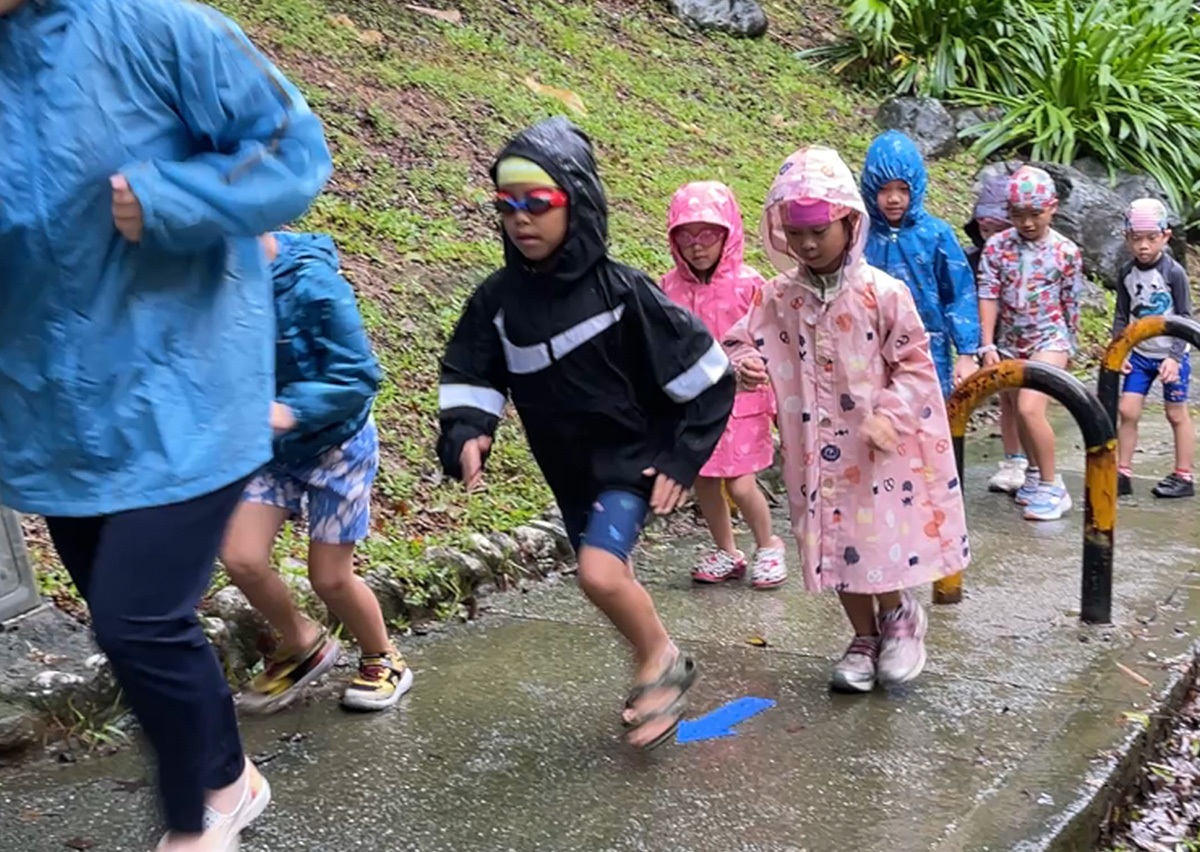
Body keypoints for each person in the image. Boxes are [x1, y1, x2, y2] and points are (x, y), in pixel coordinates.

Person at [0, 0, 331, 849]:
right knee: (146, 623)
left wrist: (173, 195)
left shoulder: (158, 28)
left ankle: (196, 817)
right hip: (52, 413)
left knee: (134, 619)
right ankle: (230, 775)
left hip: (190, 387)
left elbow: (291, 148)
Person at [437, 118, 735, 749]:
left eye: (538, 204)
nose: (521, 219)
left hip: (630, 463)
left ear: (578, 204)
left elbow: (710, 376)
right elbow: (471, 370)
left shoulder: (623, 293)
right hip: (569, 474)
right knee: (607, 578)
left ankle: (663, 660)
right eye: (507, 205)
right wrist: (467, 429)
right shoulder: (496, 301)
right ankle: (649, 667)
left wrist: (682, 460)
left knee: (598, 575)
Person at [724, 146, 969, 694]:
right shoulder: (780, 296)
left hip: (877, 450)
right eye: (796, 233)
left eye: (820, 231)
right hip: (815, 449)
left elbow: (912, 363)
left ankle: (900, 614)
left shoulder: (883, 295)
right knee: (835, 545)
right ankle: (863, 635)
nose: (808, 244)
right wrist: (744, 363)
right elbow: (743, 336)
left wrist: (890, 414)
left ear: (849, 222)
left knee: (879, 539)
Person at [221, 232, 413, 715]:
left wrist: (290, 411)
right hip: (270, 450)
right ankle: (302, 639)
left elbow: (358, 374)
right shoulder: (208, 288)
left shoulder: (311, 282)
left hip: (337, 445)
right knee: (241, 557)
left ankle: (383, 656)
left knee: (329, 578)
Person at [660, 182, 786, 588]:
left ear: (728, 233)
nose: (697, 246)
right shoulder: (669, 288)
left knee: (740, 480)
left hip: (742, 400)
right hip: (693, 403)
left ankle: (768, 543)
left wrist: (758, 367)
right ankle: (726, 549)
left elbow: (774, 338)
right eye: (686, 235)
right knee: (704, 478)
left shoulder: (751, 285)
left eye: (708, 235)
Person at [977, 166, 1082, 522]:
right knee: (1014, 407)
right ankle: (1035, 473)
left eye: (1035, 214)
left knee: (1029, 408)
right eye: (1017, 215)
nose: (1027, 223)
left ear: (1052, 208)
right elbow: (988, 293)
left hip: (1049, 337)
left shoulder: (1066, 251)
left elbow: (1071, 301)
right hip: (1010, 340)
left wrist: (1072, 343)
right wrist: (986, 343)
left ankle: (1055, 486)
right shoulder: (997, 247)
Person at [860, 131, 981, 397]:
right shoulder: (859, 235)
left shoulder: (935, 236)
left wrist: (967, 352)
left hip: (928, 347)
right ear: (870, 189)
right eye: (884, 189)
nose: (894, 198)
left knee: (928, 419)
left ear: (916, 187)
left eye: (903, 189)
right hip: (868, 347)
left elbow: (959, 294)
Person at [1112, 199, 1194, 499]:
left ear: (1165, 236)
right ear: (1127, 238)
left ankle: (1184, 474)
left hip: (1172, 353)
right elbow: (1122, 313)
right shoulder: (1125, 273)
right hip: (1142, 354)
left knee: (1176, 413)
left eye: (1151, 238)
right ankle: (1122, 471)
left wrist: (1174, 357)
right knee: (1127, 409)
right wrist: (1118, 350)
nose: (1143, 246)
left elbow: (1185, 316)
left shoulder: (1173, 273)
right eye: (1136, 239)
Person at [965, 170, 1027, 494]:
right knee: (1007, 400)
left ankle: (1032, 461)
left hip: (1025, 337)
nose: (990, 237)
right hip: (994, 339)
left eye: (997, 229)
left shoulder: (1025, 256)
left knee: (1026, 402)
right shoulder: (975, 259)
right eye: (984, 229)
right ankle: (1013, 457)